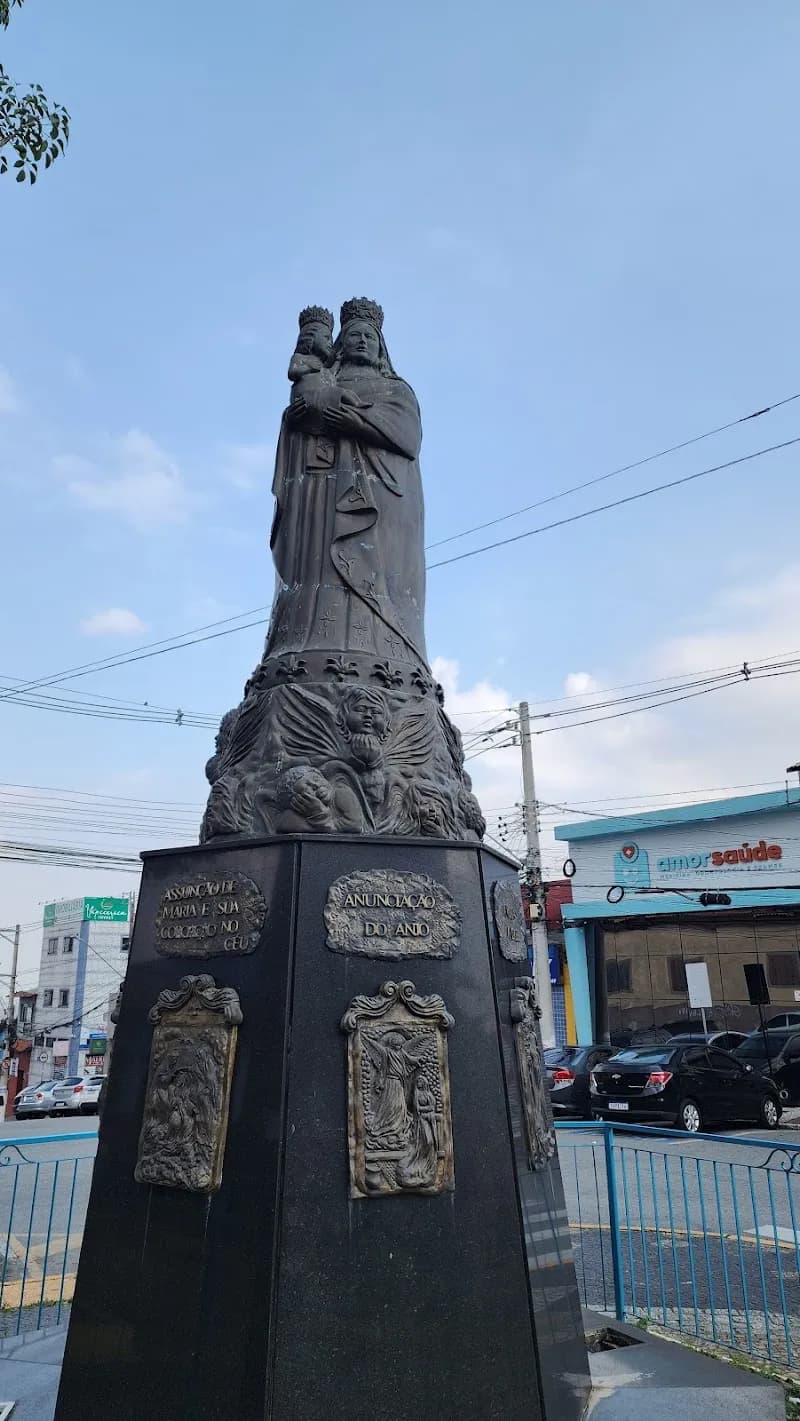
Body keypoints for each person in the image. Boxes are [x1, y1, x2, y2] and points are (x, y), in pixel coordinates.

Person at [267, 298, 427, 675]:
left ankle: (386, 654)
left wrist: (356, 424)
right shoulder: (323, 380)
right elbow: (300, 426)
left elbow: (407, 438)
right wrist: (294, 421)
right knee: (318, 576)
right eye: (354, 335)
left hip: (380, 506)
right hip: (321, 502)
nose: (362, 342)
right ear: (341, 342)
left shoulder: (396, 390)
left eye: (369, 337)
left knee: (377, 578)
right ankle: (303, 650)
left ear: (380, 347)